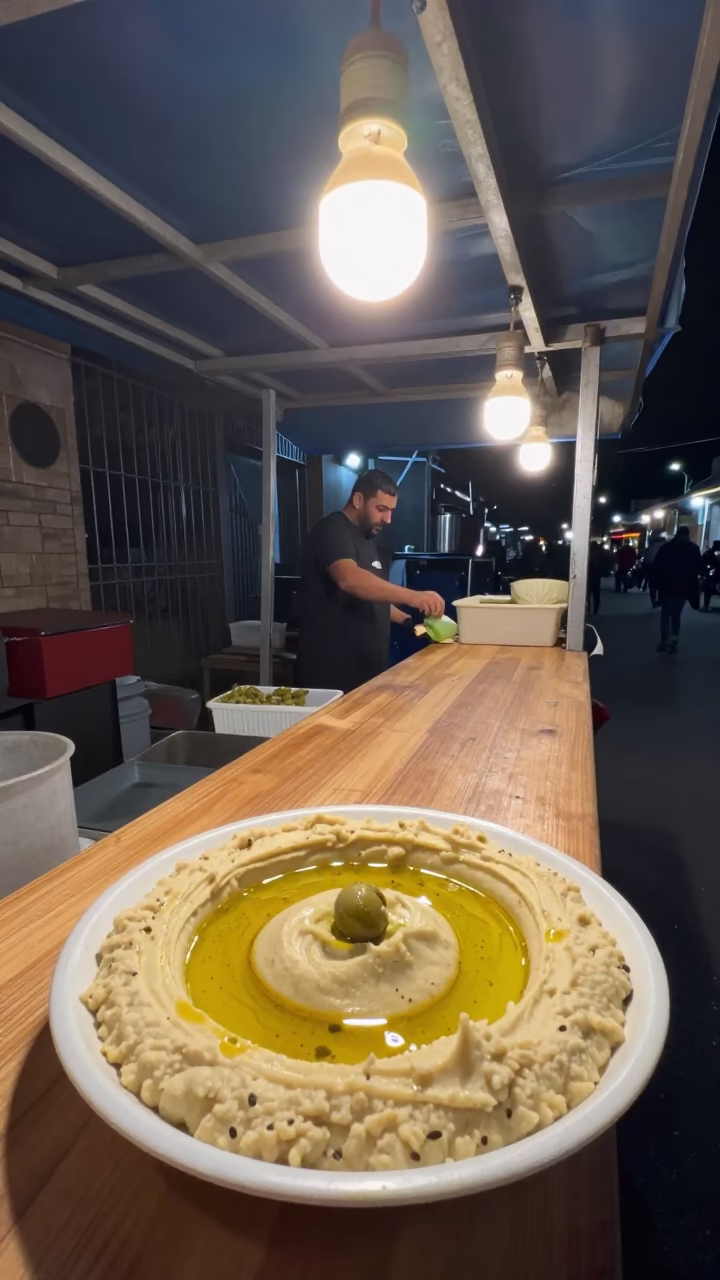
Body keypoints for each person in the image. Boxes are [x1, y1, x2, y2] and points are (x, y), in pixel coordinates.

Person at [297, 470, 445, 694]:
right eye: (381, 509)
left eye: (391, 511)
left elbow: (374, 597)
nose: (388, 519)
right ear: (358, 500)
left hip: (366, 675)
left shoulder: (367, 540)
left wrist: (409, 620)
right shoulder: (332, 530)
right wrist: (414, 596)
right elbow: (349, 579)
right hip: (331, 678)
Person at [652, 525, 701, 654]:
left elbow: (657, 567)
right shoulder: (693, 549)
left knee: (665, 614)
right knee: (676, 614)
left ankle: (664, 641)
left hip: (666, 586)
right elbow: (699, 568)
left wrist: (655, 584)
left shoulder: (666, 549)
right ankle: (674, 637)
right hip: (685, 587)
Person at [642, 534, 665, 607]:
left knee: (652, 585)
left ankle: (654, 600)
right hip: (662, 567)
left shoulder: (651, 546)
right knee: (662, 585)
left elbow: (646, 557)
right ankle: (660, 601)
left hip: (651, 566)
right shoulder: (666, 546)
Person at [701, 540, 720, 611]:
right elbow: (703, 562)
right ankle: (705, 606)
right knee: (707, 587)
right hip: (712, 573)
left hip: (717, 573)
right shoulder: (708, 553)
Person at [587, 541, 604, 615]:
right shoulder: (601, 551)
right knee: (596, 592)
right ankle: (596, 608)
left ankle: (588, 608)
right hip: (597, 573)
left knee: (587, 592)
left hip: (589, 573)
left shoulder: (588, 550)